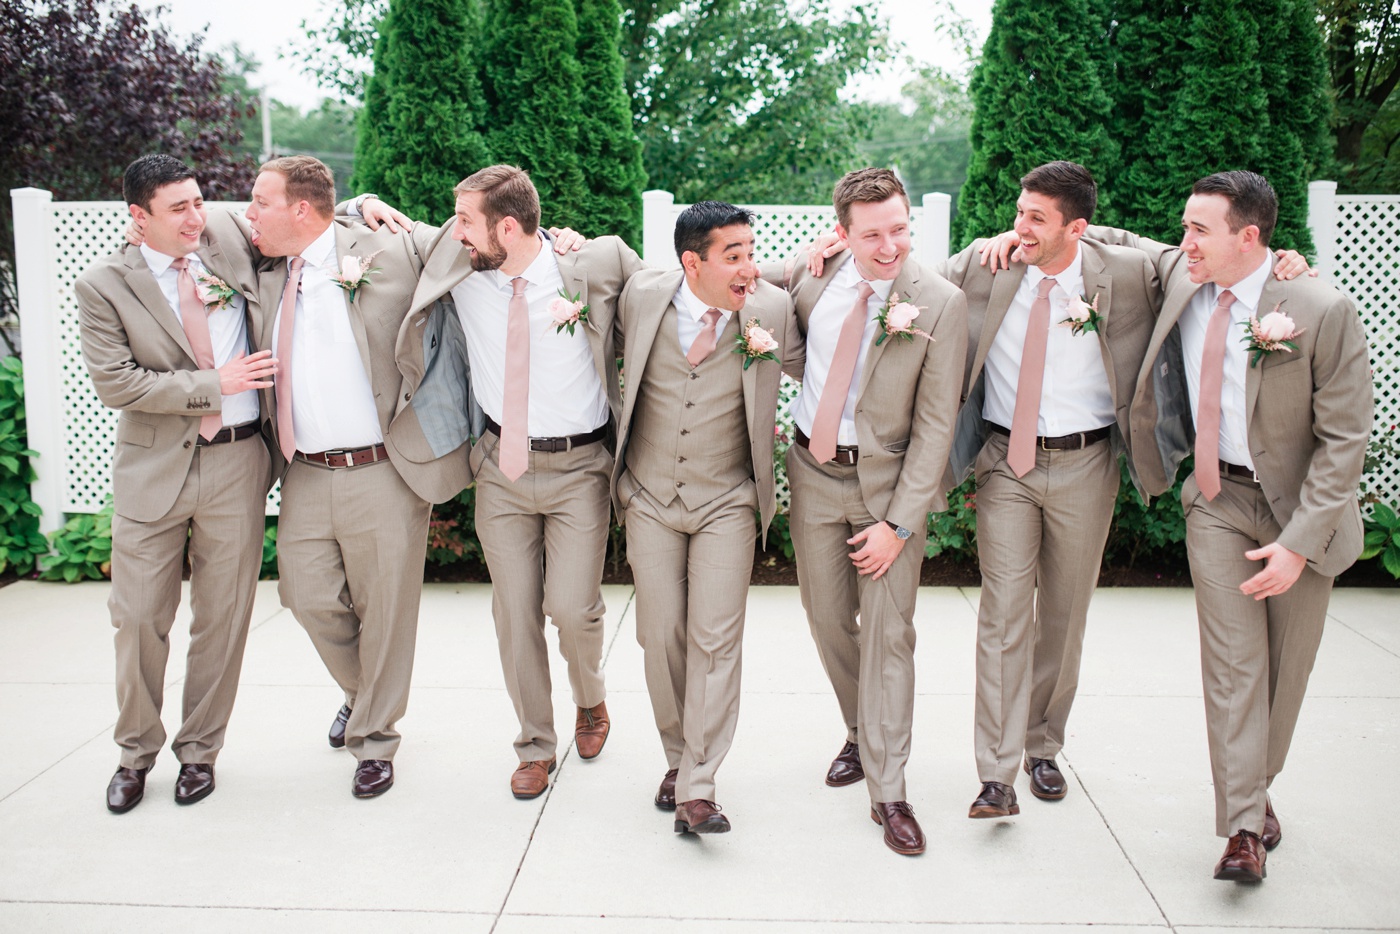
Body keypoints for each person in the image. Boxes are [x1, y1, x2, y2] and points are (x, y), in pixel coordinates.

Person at [1091, 171, 1372, 882]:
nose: (1183, 240)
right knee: (1232, 671)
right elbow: (1115, 239)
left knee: (1284, 675)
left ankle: (1256, 785)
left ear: (1250, 237)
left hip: (1302, 510)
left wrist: (1300, 544)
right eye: (1183, 225)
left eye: (1198, 229)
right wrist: (1021, 234)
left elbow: (1345, 440)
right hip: (1215, 503)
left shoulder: (1319, 307)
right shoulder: (1184, 278)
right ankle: (1243, 828)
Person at [354, 165, 642, 799]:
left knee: (571, 608)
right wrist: (366, 198)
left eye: (465, 219)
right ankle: (535, 745)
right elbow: (355, 223)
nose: (453, 229)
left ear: (507, 227)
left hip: (579, 471)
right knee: (514, 614)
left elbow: (681, 291)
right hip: (500, 470)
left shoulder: (591, 266)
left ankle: (590, 700)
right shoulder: (462, 263)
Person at [937, 162, 1162, 819]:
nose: (1019, 227)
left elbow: (1183, 261)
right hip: (1006, 462)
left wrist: (1284, 259)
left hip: (1087, 464)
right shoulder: (987, 265)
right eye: (1019, 213)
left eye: (1037, 217)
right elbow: (906, 281)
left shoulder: (1116, 271)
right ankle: (996, 773)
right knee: (1003, 613)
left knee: (1063, 615)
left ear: (1079, 227)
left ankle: (1042, 745)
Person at [245, 156, 470, 798]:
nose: (248, 213)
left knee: (387, 610)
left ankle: (374, 738)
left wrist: (555, 239)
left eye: (260, 201)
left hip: (383, 468)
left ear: (300, 211)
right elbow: (197, 225)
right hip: (306, 471)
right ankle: (362, 691)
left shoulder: (387, 249)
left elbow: (466, 241)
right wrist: (352, 199)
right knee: (305, 596)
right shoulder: (263, 263)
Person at [773, 168, 968, 855]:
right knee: (827, 619)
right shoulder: (814, 275)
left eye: (899, 230)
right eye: (873, 234)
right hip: (812, 472)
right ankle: (860, 729)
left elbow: (938, 426)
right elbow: (738, 276)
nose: (890, 247)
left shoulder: (939, 302)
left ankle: (889, 790)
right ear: (842, 233)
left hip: (886, 490)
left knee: (888, 636)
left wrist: (900, 524)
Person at [77, 154, 277, 813]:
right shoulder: (104, 283)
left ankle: (200, 752)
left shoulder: (225, 241)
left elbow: (307, 212)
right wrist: (211, 385)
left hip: (238, 461)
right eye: (179, 208)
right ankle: (135, 753)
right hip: (151, 469)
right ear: (139, 218)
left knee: (223, 618)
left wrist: (368, 205)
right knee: (137, 619)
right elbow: (118, 384)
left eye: (199, 202)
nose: (198, 217)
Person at [612, 201, 803, 834]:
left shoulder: (769, 309)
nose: (749, 266)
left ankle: (698, 783)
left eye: (753, 252)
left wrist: (808, 257)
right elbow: (575, 264)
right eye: (734, 255)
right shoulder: (643, 295)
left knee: (716, 641)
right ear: (691, 263)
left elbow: (806, 283)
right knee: (660, 634)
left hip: (727, 498)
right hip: (649, 497)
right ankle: (677, 757)